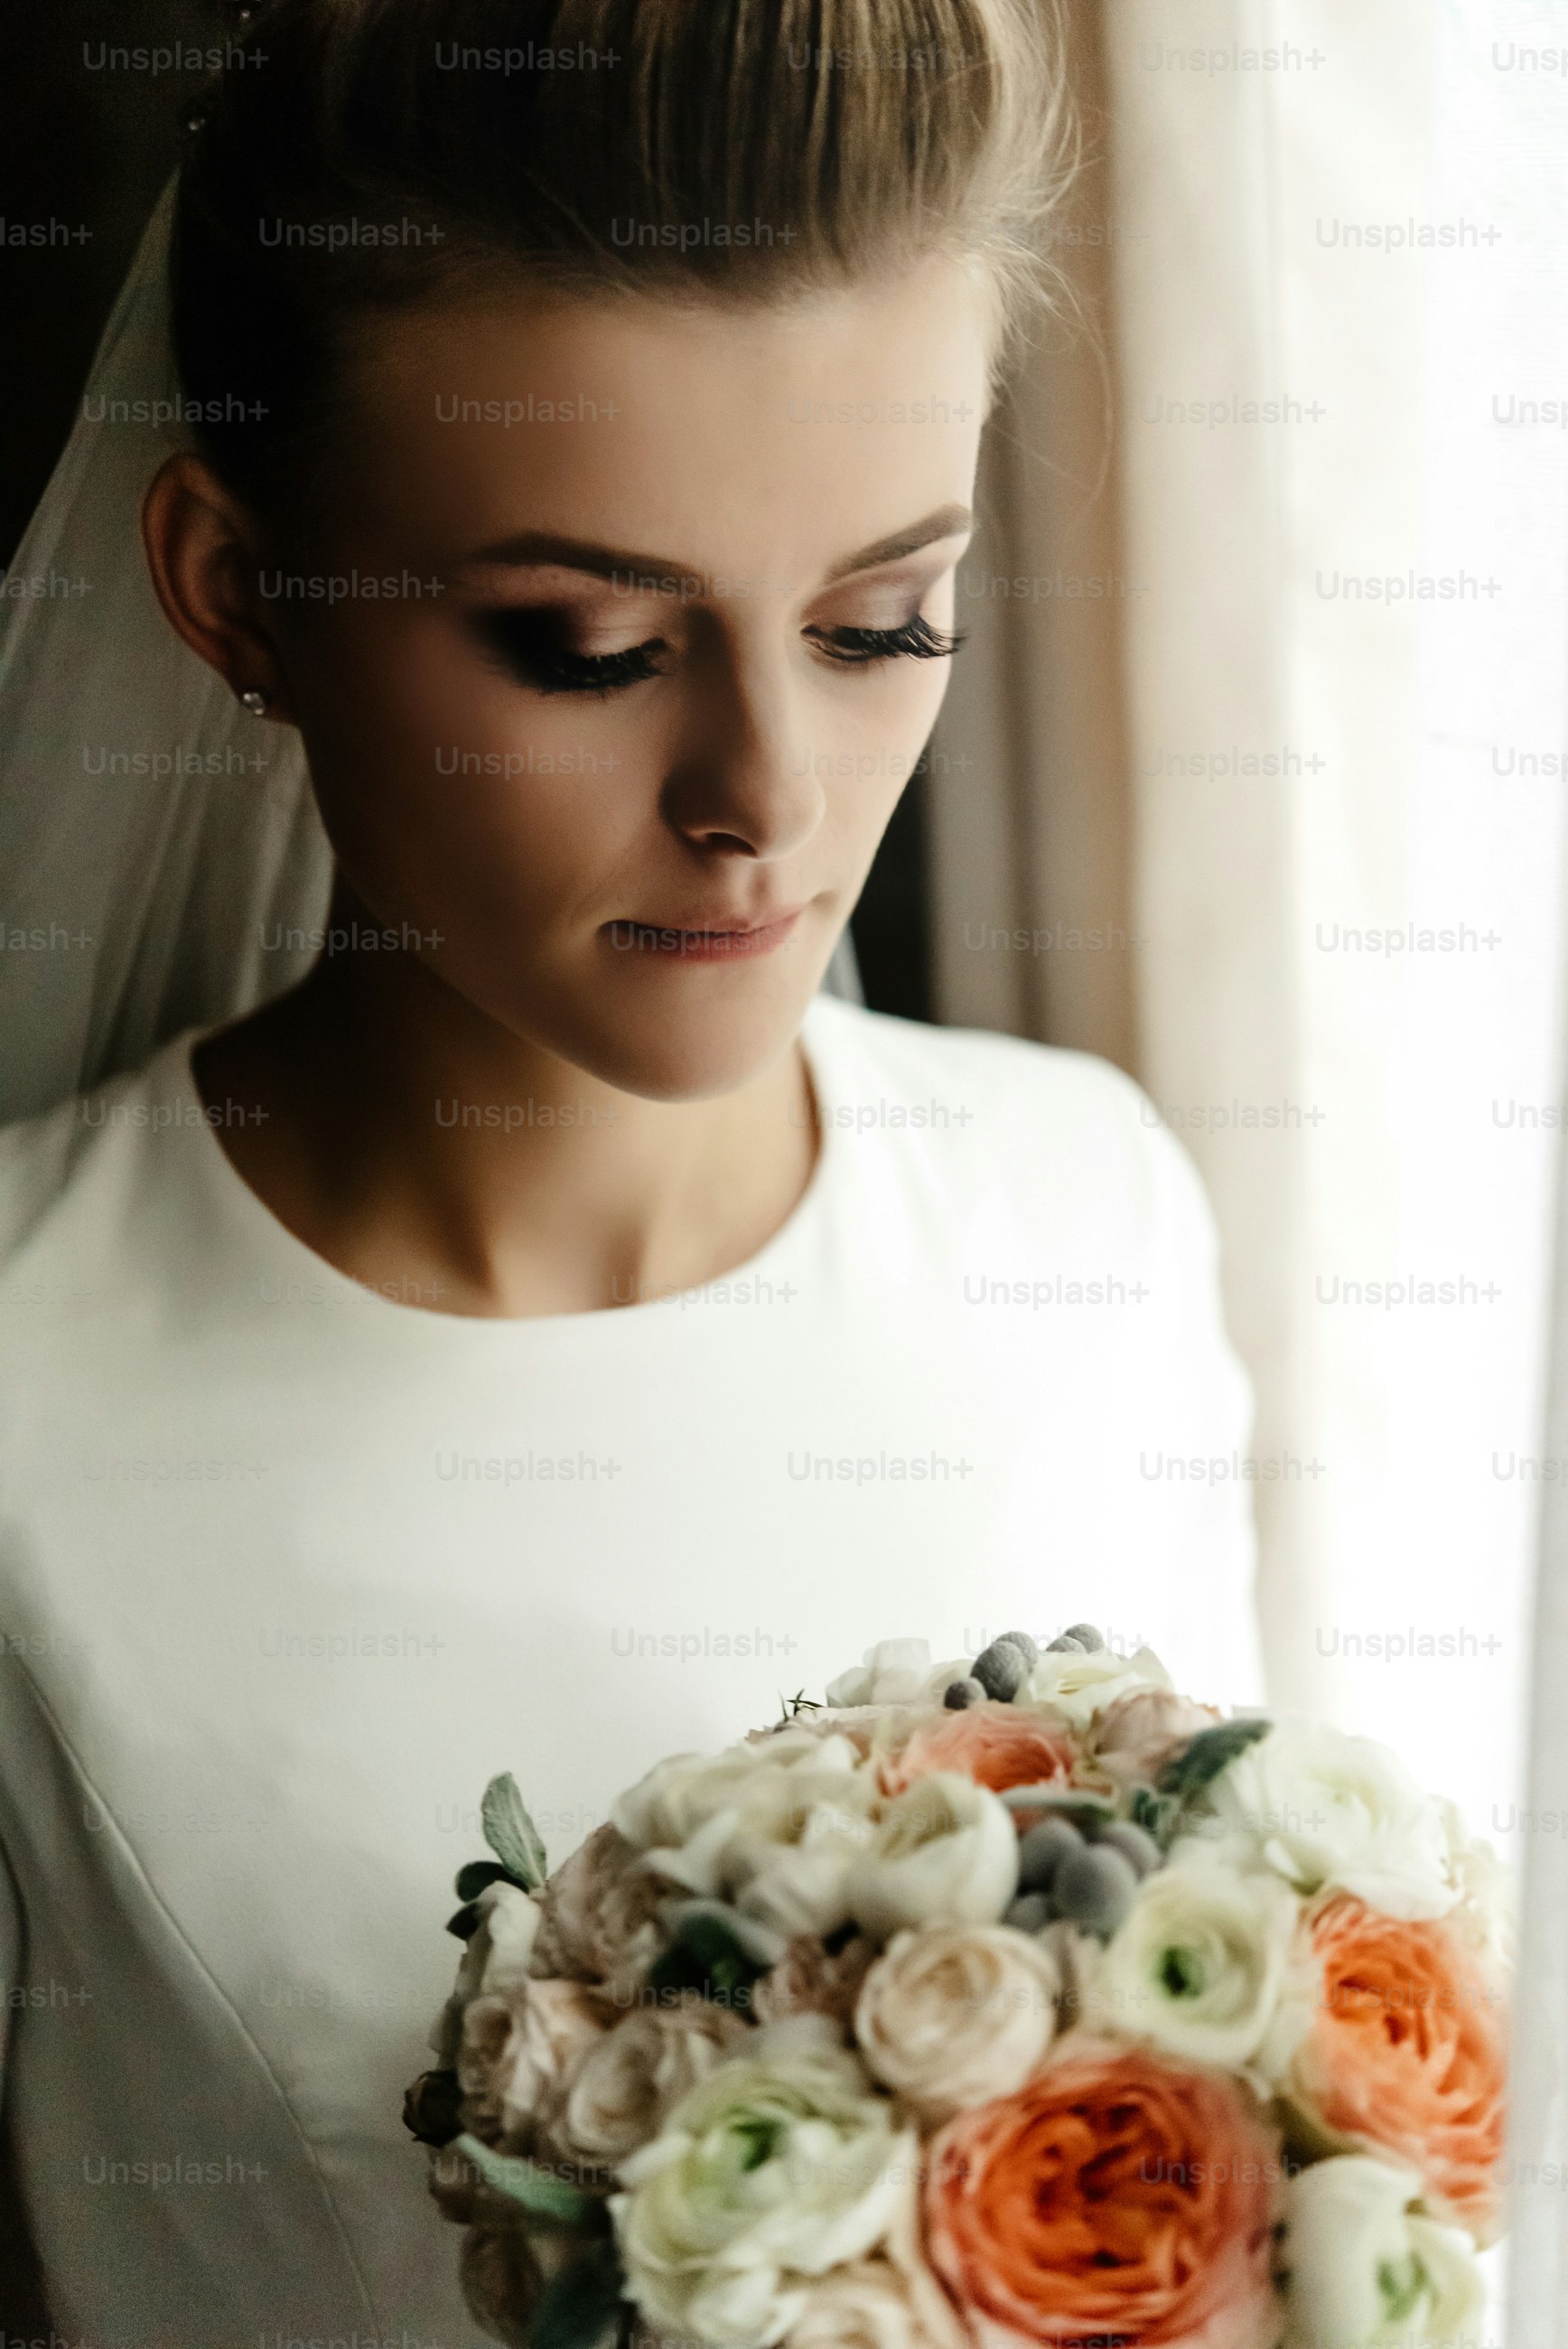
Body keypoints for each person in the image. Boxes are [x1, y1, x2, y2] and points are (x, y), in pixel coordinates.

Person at [0, 1, 1262, 2339]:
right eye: (586, 644)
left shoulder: (1091, 1219)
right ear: (234, 593)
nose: (766, 796)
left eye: (885, 618)